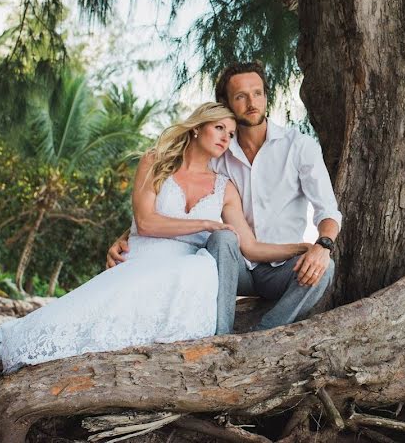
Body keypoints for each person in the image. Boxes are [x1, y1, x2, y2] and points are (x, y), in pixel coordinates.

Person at [0, 103, 312, 373]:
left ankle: (216, 345)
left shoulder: (226, 188)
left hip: (186, 266)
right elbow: (145, 222)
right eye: (219, 127)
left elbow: (248, 247)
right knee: (78, 316)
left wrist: (303, 247)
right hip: (143, 255)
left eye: (231, 133)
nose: (225, 137)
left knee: (190, 279)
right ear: (196, 129)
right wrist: (205, 225)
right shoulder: (155, 162)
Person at [107, 62, 341, 334]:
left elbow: (328, 210)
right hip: (230, 263)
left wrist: (321, 245)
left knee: (325, 269)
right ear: (227, 103)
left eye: (257, 93)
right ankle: (222, 336)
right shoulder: (218, 152)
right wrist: (129, 235)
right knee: (223, 238)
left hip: (280, 267)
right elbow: (177, 194)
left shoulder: (298, 147)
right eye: (241, 96)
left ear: (266, 96)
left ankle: (262, 335)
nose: (251, 102)